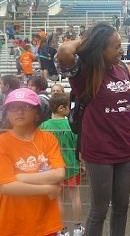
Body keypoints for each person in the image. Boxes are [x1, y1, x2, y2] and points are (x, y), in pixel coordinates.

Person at [57, 22, 130, 236]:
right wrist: (89, 40)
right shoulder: (83, 73)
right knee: (99, 210)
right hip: (99, 152)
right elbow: (64, 51)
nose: (121, 50)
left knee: (121, 208)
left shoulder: (121, 70)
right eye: (115, 46)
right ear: (100, 48)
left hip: (125, 148)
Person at [0, 88, 65, 235]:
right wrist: (47, 188)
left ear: (37, 112)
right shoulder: (2, 143)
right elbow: (5, 187)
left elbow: (59, 173)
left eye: (26, 107)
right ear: (7, 113)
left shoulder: (48, 139)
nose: (19, 111)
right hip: (12, 224)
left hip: (46, 222)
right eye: (13, 107)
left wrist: (18, 177)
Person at [40, 93, 84, 235]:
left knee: (58, 199)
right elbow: (78, 145)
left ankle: (62, 229)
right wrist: (82, 163)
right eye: (68, 107)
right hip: (71, 165)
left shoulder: (44, 126)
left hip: (53, 168)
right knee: (75, 196)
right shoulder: (71, 125)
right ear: (61, 108)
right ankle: (77, 228)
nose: (70, 109)